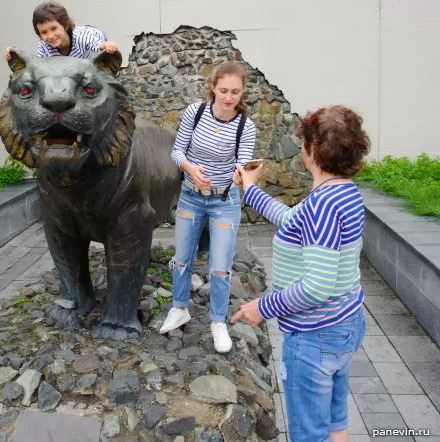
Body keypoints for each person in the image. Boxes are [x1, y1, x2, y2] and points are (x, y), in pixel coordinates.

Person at [231, 105, 371, 442]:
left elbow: (316, 287)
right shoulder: (344, 193)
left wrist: (261, 307)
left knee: (309, 435)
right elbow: (294, 221)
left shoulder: (324, 204)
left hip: (315, 337)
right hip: (345, 325)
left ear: (312, 148)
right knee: (336, 424)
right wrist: (249, 188)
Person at [159, 61, 257, 354]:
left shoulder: (245, 127)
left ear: (242, 92)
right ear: (213, 87)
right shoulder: (195, 112)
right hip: (190, 196)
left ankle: (218, 321)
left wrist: (241, 175)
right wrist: (191, 168)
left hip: (224, 202)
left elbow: (241, 164)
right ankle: (179, 308)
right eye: (224, 90)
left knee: (220, 267)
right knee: (181, 258)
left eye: (235, 92)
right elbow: (178, 151)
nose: (229, 97)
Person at [4, 1, 118, 61]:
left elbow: (99, 46)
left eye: (54, 28)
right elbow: (36, 65)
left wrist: (108, 45)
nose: (50, 36)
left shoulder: (84, 38)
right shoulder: (44, 46)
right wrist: (15, 54)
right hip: (71, 63)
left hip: (92, 36)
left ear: (65, 25)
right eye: (44, 32)